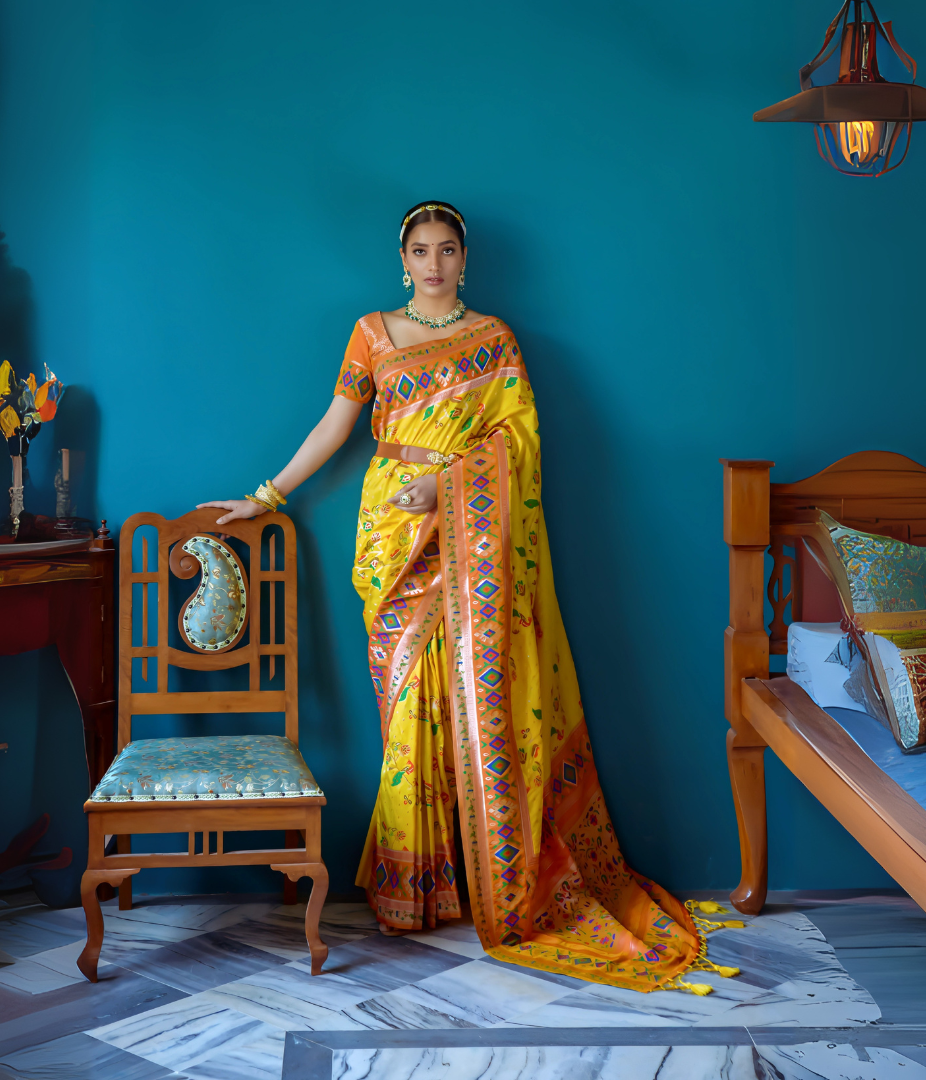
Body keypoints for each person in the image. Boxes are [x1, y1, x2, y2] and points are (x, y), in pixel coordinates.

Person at [199, 201, 735, 993]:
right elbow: (336, 425)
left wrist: (448, 487)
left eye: (448, 250)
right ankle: (416, 888)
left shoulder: (495, 339)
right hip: (392, 538)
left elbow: (518, 441)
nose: (435, 263)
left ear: (464, 259)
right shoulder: (372, 334)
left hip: (471, 539)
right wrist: (266, 496)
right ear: (403, 259)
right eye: (421, 250)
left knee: (478, 706)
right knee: (408, 711)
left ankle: (490, 880)